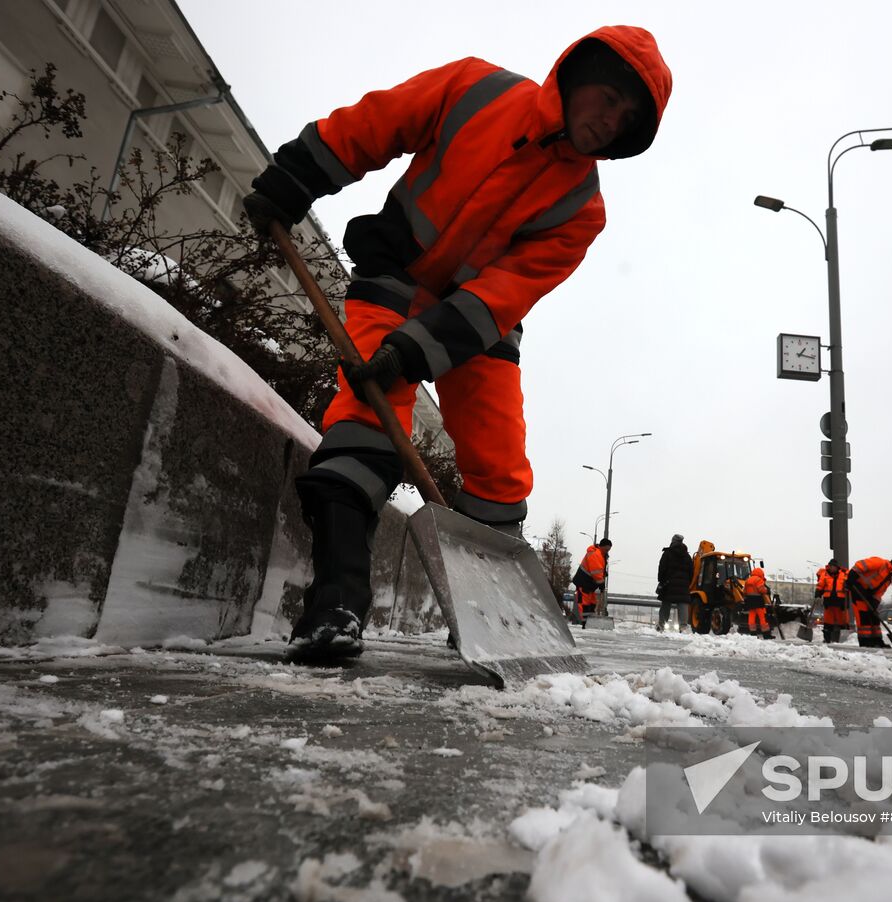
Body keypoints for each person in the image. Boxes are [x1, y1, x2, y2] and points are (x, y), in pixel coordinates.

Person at [243, 29, 673, 659]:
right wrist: (292, 178)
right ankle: (335, 600)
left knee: (499, 476)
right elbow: (376, 123)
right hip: (395, 274)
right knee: (370, 419)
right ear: (575, 78)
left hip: (477, 325)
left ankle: (481, 621)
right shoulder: (476, 88)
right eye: (608, 98)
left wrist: (417, 347)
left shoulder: (582, 209)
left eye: (628, 118)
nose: (611, 122)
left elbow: (505, 292)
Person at [846, 556, 892, 648]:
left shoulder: (888, 579)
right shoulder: (879, 563)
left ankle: (877, 641)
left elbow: (879, 593)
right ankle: (865, 642)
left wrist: (874, 603)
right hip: (857, 588)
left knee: (874, 618)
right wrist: (852, 577)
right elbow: (859, 565)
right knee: (863, 617)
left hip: (869, 595)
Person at [656, 534, 693, 632]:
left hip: (669, 583)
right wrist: (687, 582)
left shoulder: (667, 553)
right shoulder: (687, 555)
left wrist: (661, 580)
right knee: (683, 604)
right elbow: (691, 571)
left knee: (666, 604)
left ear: (673, 541)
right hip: (683, 584)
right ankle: (683, 627)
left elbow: (662, 568)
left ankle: (661, 625)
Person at [573, 538, 611, 626]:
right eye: (606, 549)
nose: (607, 551)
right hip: (583, 582)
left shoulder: (601, 555)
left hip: (589, 584)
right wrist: (601, 584)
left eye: (608, 550)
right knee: (584, 603)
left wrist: (604, 574)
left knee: (592, 602)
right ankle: (585, 623)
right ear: (601, 546)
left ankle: (589, 621)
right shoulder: (595, 554)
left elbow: (599, 570)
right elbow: (596, 572)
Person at [815, 558, 848, 644]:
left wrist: (847, 586)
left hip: (840, 601)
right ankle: (827, 638)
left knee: (842, 620)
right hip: (828, 601)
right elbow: (821, 584)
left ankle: (842, 638)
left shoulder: (844, 574)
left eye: (834, 566)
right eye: (831, 566)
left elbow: (849, 583)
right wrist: (818, 592)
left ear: (837, 567)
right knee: (828, 621)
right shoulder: (825, 574)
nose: (832, 568)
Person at [742, 567, 772, 638]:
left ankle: (753, 634)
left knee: (751, 617)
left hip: (750, 601)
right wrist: (767, 591)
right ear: (761, 573)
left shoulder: (748, 580)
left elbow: (744, 591)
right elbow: (761, 589)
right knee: (762, 617)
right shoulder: (759, 580)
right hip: (758, 601)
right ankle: (766, 634)